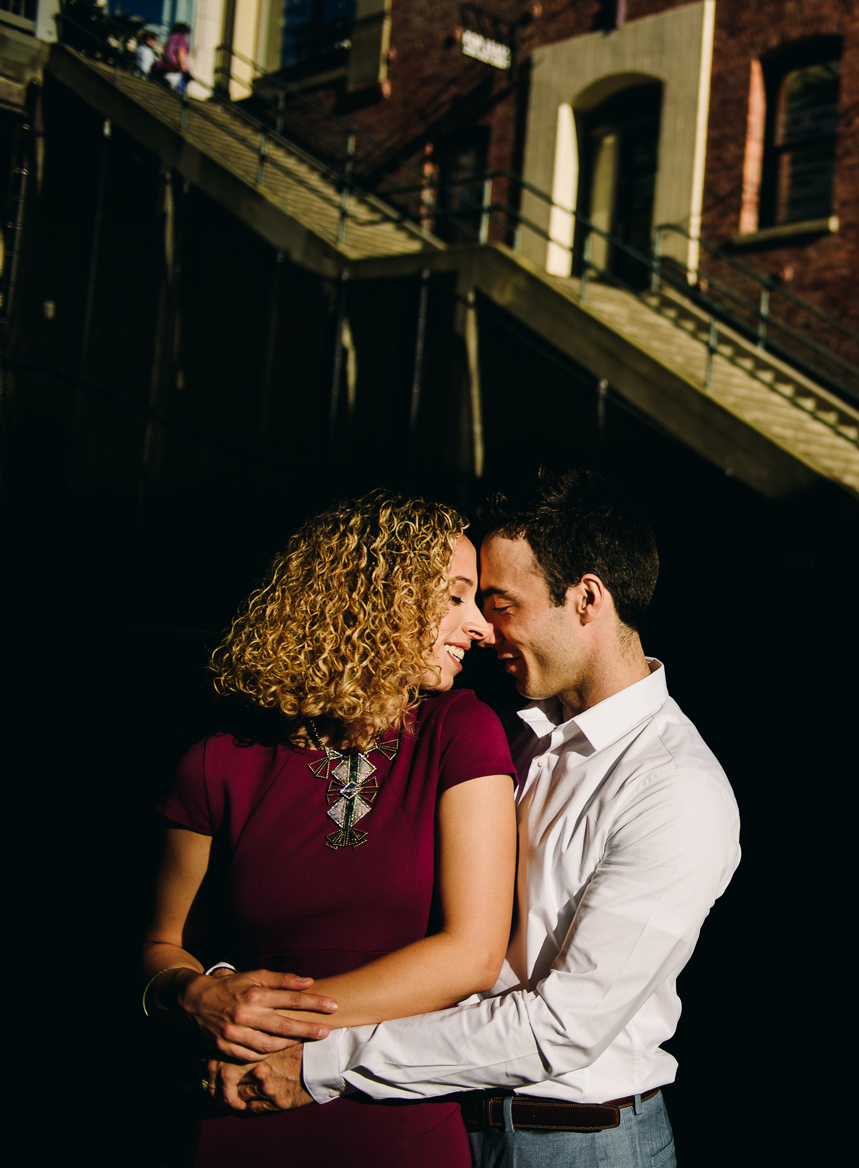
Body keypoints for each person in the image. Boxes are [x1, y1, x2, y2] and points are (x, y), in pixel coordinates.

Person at [234, 469, 741, 1168]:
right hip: (444, 1119)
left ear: (587, 598)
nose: (484, 629)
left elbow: (560, 1029)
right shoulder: (520, 739)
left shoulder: (675, 790)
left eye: (502, 603)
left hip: (573, 1142)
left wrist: (318, 1062)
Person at [142, 491, 518, 1168]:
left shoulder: (460, 732)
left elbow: (471, 954)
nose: (481, 629)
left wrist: (279, 1029)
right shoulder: (219, 758)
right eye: (456, 597)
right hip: (237, 1111)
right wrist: (193, 994)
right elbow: (163, 944)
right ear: (381, 599)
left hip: (391, 1123)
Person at [157, 21, 191, 92]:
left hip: (164, 69)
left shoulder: (170, 38)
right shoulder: (181, 37)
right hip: (174, 70)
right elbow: (181, 53)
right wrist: (185, 70)